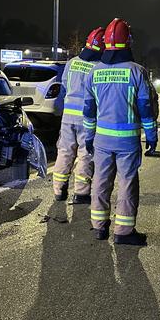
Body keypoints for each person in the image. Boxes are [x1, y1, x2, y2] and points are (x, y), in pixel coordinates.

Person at [83, 18, 158, 246]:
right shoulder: (137, 71)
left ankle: (99, 227)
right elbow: (145, 107)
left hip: (101, 139)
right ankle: (123, 232)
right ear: (129, 41)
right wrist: (152, 135)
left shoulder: (94, 71)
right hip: (127, 141)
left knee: (100, 180)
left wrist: (88, 137)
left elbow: (89, 109)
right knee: (127, 182)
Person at [53, 27, 105, 203]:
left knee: (65, 151)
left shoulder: (72, 62)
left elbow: (65, 86)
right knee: (85, 153)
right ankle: (81, 193)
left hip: (68, 116)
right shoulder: (98, 67)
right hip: (87, 118)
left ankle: (59, 190)